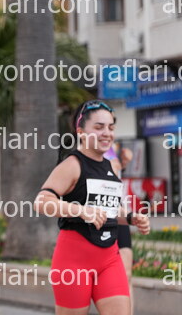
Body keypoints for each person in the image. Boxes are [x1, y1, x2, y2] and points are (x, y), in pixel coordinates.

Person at [34, 100, 150, 315]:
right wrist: (80, 210)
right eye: (98, 127)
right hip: (74, 262)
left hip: (109, 260)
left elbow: (108, 210)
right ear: (81, 131)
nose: (107, 133)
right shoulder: (72, 164)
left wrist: (131, 217)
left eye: (111, 127)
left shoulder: (110, 166)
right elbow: (41, 202)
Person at [105, 145, 135, 313]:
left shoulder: (113, 147)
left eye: (111, 131)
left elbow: (115, 175)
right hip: (98, 214)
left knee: (126, 273)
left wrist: (122, 163)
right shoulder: (84, 150)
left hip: (119, 211)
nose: (108, 133)